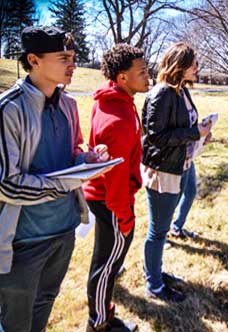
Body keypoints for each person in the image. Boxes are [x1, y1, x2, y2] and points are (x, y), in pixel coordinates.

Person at [0, 26, 108, 332]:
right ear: (33, 60)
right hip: (23, 241)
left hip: (65, 230)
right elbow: (6, 184)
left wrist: (87, 159)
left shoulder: (69, 105)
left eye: (73, 56)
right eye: (64, 57)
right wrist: (64, 183)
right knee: (15, 322)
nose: (73, 64)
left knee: (45, 302)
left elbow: (70, 155)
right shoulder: (8, 110)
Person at [83, 44, 150, 332]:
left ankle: (104, 313)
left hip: (109, 199)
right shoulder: (119, 121)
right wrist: (124, 217)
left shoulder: (115, 98)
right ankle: (98, 324)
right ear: (122, 78)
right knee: (107, 266)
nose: (150, 77)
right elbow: (116, 180)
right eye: (143, 72)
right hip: (112, 202)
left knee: (106, 262)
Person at [141, 42, 211, 302]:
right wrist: (194, 133)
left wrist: (201, 135)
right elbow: (156, 137)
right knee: (158, 231)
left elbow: (184, 126)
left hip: (182, 163)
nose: (197, 68)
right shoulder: (162, 93)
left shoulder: (181, 91)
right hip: (164, 170)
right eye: (193, 64)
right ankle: (154, 284)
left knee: (185, 199)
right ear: (179, 65)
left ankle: (154, 271)